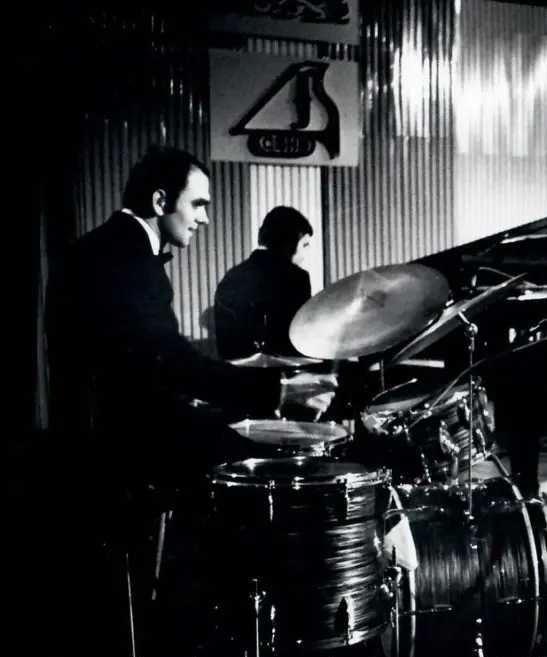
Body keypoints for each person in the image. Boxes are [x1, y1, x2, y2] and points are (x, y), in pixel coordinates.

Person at [45, 146, 332, 490]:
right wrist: (281, 390)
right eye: (197, 204)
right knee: (263, 470)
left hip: (92, 432)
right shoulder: (129, 262)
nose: (205, 218)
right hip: (115, 449)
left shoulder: (102, 247)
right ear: (160, 202)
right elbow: (173, 364)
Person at [212, 205, 314, 360]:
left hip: (235, 370)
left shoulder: (231, 276)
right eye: (304, 245)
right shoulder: (296, 277)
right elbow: (298, 341)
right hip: (281, 370)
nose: (305, 255)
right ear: (289, 243)